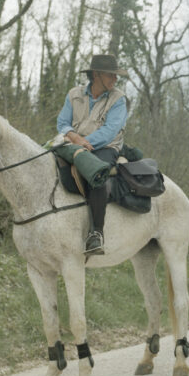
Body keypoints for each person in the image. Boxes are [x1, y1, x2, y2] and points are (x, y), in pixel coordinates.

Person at [56, 54, 129, 255]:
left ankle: (96, 233)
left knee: (97, 174)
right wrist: (75, 139)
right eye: (110, 75)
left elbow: (110, 132)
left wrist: (84, 143)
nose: (115, 80)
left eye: (116, 76)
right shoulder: (74, 94)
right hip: (73, 143)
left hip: (104, 148)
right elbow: (63, 123)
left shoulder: (119, 99)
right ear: (96, 74)